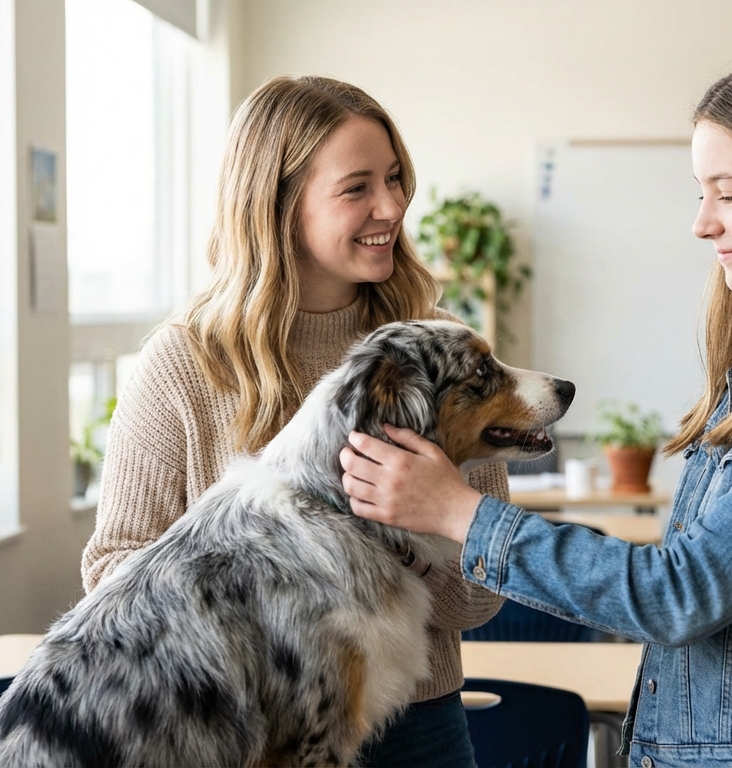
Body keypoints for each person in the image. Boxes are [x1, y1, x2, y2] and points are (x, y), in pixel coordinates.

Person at [340, 46, 732, 767]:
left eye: (729, 194)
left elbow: (682, 592)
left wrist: (457, 511)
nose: (704, 223)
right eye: (701, 194)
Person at [81, 75, 508, 767]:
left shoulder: (438, 351)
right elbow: (112, 569)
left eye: (396, 179)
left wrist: (402, 547)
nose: (393, 206)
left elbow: (480, 595)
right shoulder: (185, 361)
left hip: (415, 726)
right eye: (358, 187)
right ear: (277, 204)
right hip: (251, 738)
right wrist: (272, 595)